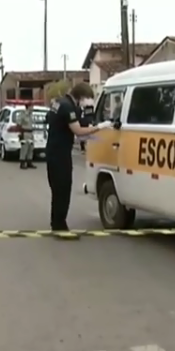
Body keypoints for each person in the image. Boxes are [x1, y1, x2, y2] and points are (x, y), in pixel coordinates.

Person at [46, 83, 111, 238]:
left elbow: (55, 121)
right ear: (81, 97)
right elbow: (78, 130)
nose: (87, 103)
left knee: (57, 190)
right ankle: (60, 227)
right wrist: (101, 126)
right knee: (63, 189)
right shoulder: (68, 107)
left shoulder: (59, 102)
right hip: (60, 153)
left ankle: (56, 223)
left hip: (53, 150)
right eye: (87, 99)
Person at [17, 104, 37, 169]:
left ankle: (29, 162)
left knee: (31, 148)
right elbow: (18, 124)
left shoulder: (31, 115)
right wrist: (21, 133)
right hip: (25, 132)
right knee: (24, 148)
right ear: (28, 107)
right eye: (31, 107)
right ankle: (22, 162)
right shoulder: (23, 114)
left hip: (30, 133)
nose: (32, 108)